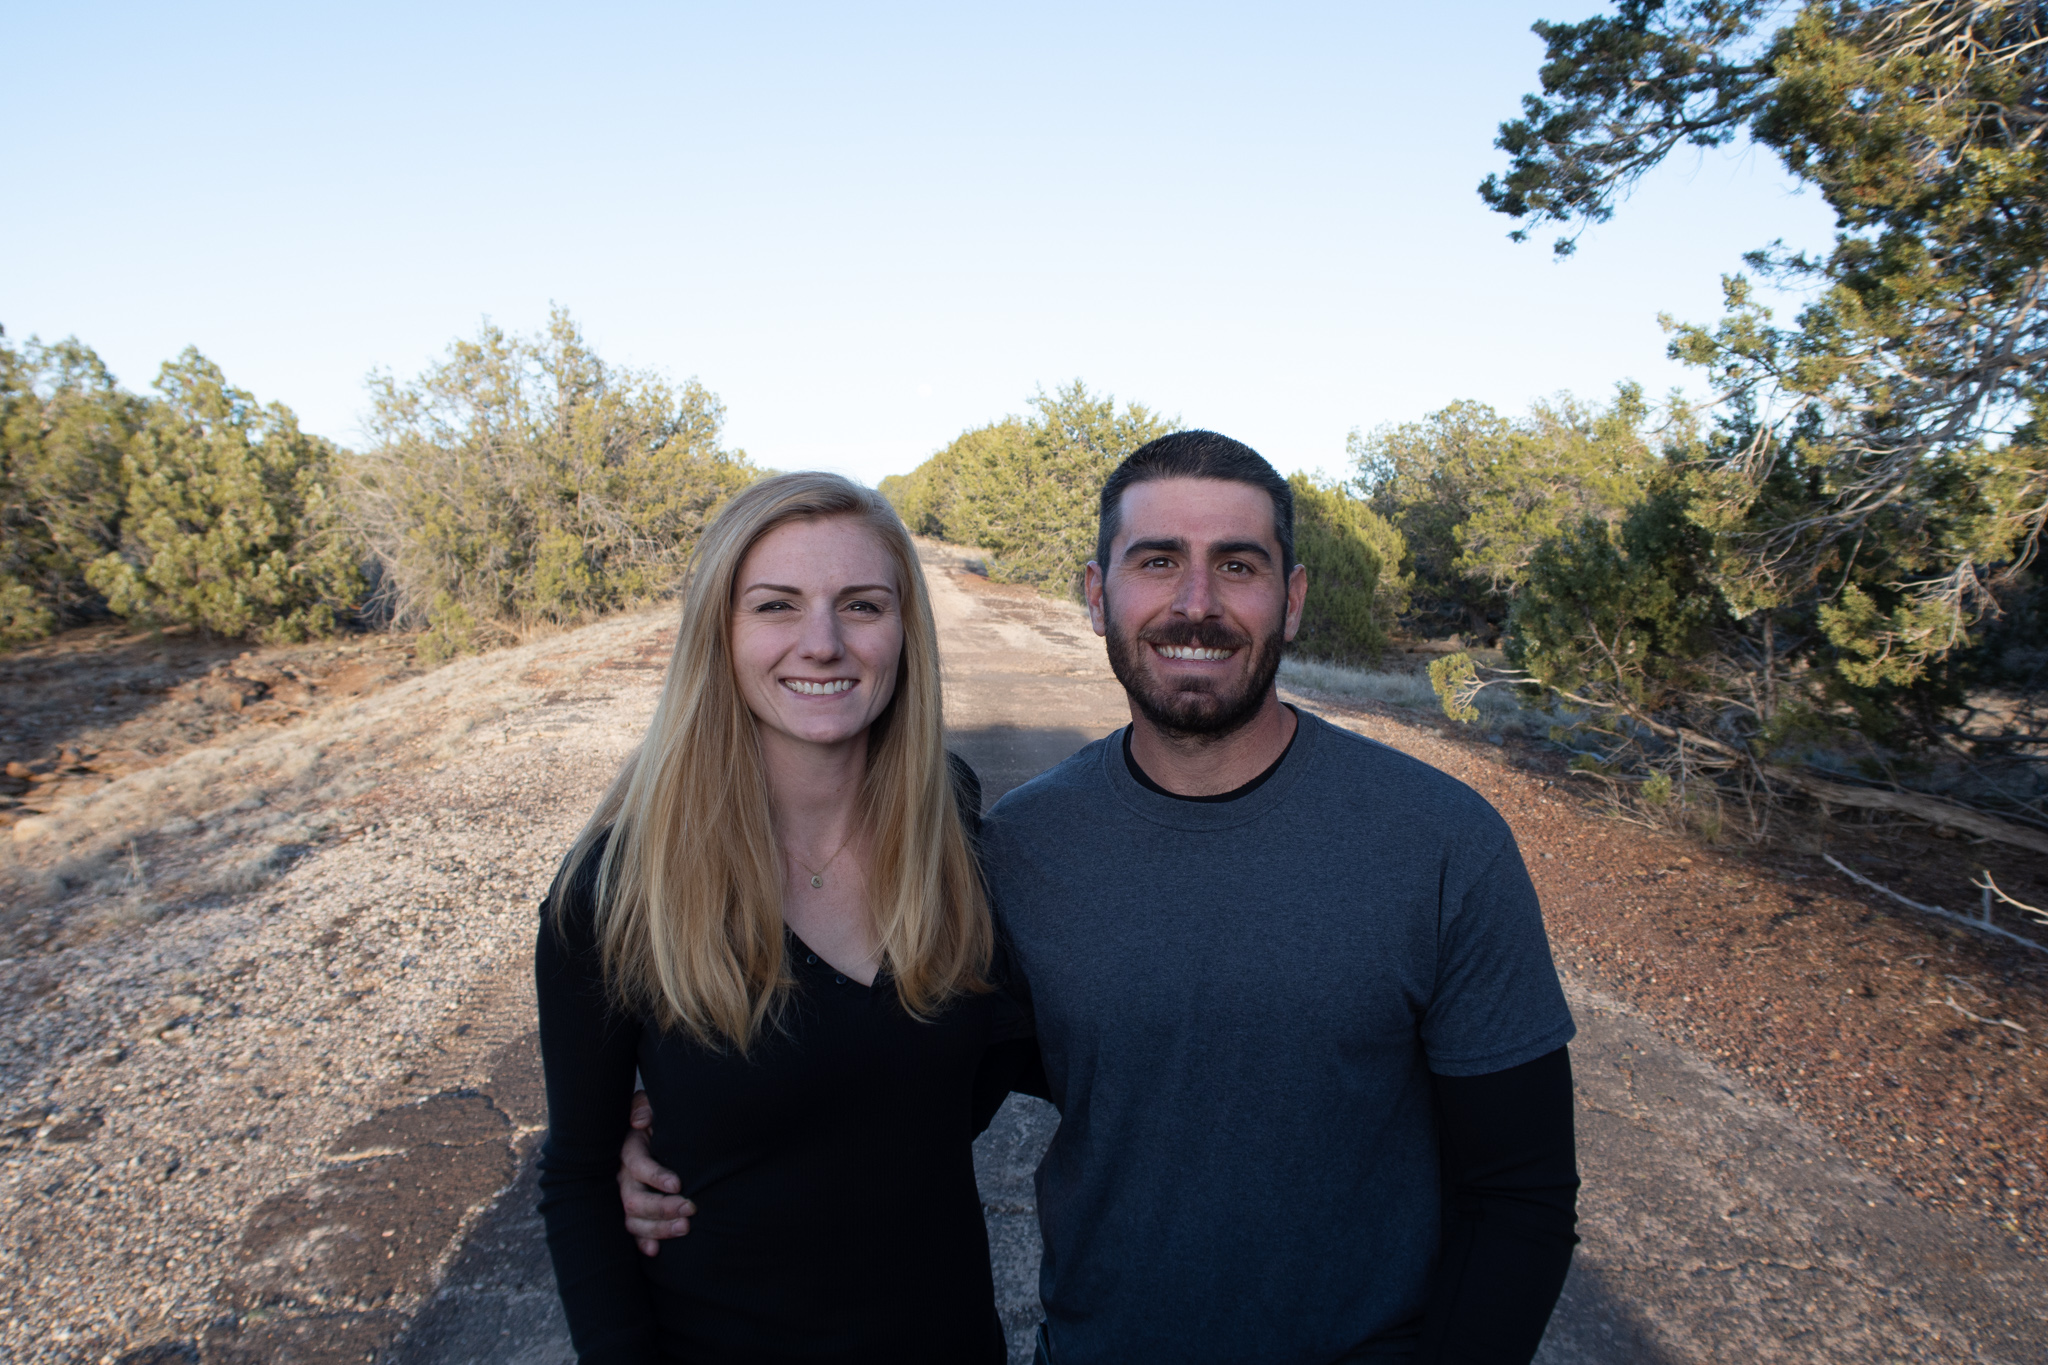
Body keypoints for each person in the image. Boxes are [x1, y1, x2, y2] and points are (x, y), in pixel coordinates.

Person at [623, 434, 1580, 1364]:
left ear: (1291, 602)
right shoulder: (1018, 849)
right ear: (1096, 596)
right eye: (1157, 561)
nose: (1195, 604)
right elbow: (910, 1096)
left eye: (1237, 566)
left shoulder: (1441, 841)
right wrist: (683, 1142)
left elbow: (1521, 1192)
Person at [535, 471, 1037, 1364]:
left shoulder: (950, 827)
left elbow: (994, 1052)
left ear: (905, 633)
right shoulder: (616, 890)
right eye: (776, 605)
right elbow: (576, 1179)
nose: (823, 642)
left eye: (862, 604)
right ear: (718, 636)